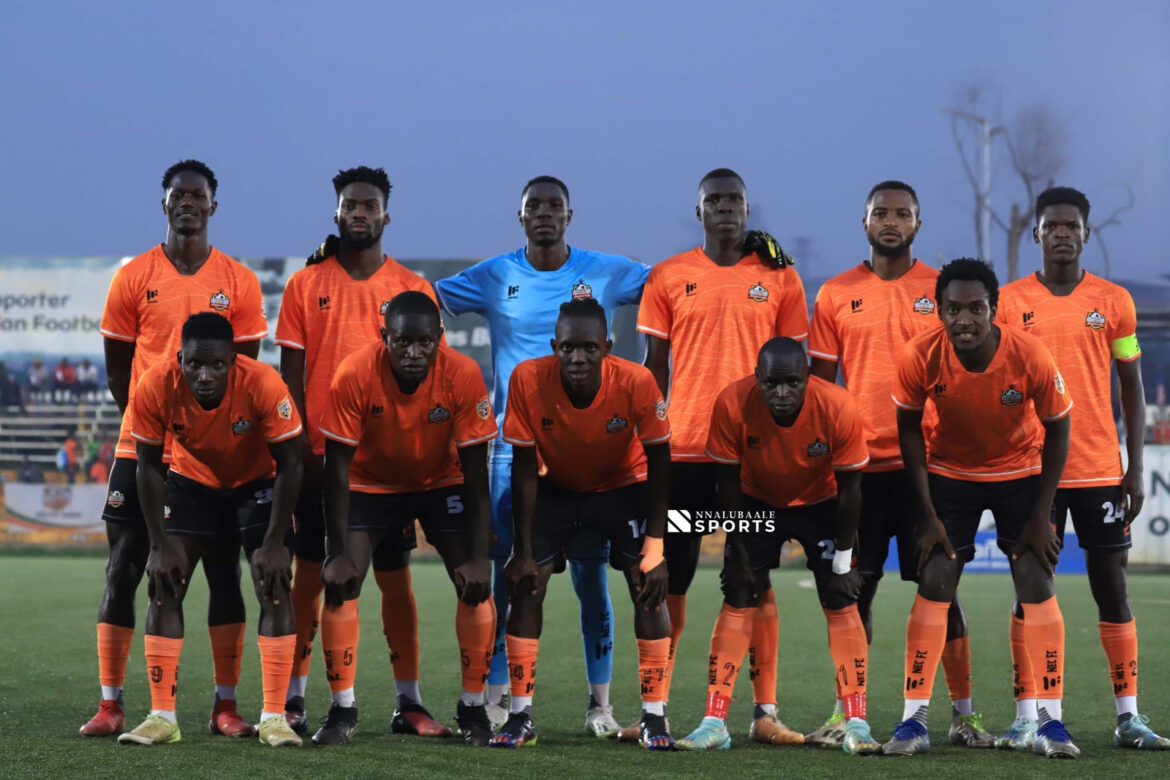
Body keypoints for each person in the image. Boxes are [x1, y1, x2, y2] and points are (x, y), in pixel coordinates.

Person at [435, 175, 649, 734]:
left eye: (555, 206)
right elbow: (422, 301)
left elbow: (674, 287)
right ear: (521, 216)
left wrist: (741, 253)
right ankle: (499, 700)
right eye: (535, 206)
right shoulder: (495, 275)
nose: (545, 214)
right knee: (511, 576)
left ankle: (600, 706)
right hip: (514, 451)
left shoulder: (605, 271)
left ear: (570, 215)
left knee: (590, 580)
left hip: (590, 451)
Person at [84, 159, 268, 739]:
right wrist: (151, 428)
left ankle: (224, 706)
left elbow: (243, 371)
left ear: (213, 205)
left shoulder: (239, 280)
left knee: (223, 572)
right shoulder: (133, 277)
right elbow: (119, 373)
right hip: (142, 446)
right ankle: (111, 704)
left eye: (197, 195)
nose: (187, 202)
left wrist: (204, 431)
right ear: (164, 204)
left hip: (214, 453)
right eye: (177, 195)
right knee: (125, 567)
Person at [807, 181, 989, 748]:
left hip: (926, 470)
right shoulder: (835, 293)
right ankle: (848, 713)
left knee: (942, 590)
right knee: (853, 593)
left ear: (918, 223)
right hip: (857, 471)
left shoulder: (942, 293)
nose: (891, 221)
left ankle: (963, 716)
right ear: (863, 222)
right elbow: (820, 389)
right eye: (880, 213)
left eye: (902, 213)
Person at [633, 168, 808, 743]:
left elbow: (794, 373)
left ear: (748, 209)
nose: (726, 207)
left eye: (735, 199)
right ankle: (654, 711)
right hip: (684, 455)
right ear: (700, 210)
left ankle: (764, 714)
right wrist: (646, 442)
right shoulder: (669, 275)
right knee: (672, 577)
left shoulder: (780, 276)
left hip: (753, 458)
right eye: (715, 200)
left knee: (753, 575)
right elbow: (653, 370)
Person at [276, 166, 446, 735]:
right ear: (337, 212)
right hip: (321, 461)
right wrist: (302, 454)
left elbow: (428, 377)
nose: (359, 212)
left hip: (387, 467)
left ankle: (409, 702)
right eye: (350, 204)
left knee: (395, 580)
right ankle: (294, 698)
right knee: (310, 577)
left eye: (369, 205)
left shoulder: (412, 288)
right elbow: (291, 379)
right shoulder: (305, 284)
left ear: (385, 215)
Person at [884, 258, 1077, 758]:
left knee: (1035, 579)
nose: (964, 319)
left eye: (975, 308)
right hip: (950, 475)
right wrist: (927, 515)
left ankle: (1051, 723)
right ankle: (914, 721)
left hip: (1020, 473)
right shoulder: (920, 355)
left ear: (994, 308)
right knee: (934, 580)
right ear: (939, 310)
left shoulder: (1029, 354)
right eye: (953, 309)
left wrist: (1041, 515)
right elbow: (909, 430)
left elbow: (1059, 428)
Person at [998, 186, 1167, 750]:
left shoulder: (1114, 301)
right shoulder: (1009, 302)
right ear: (1037, 233)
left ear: (1086, 234)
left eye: (1071, 225)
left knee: (1112, 589)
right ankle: (1029, 716)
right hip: (1031, 473)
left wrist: (1134, 466)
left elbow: (1131, 385)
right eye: (1052, 225)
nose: (1062, 233)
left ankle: (1128, 717)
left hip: (1098, 469)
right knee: (1030, 591)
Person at [312, 292, 497, 746]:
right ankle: (342, 709)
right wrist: (336, 552)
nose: (414, 352)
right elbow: (335, 472)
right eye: (402, 342)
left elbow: (476, 475)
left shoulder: (462, 373)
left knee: (474, 585)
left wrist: (479, 557)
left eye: (424, 342)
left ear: (440, 337)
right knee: (341, 583)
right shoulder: (355, 372)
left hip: (440, 482)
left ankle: (473, 708)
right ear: (385, 337)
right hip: (369, 484)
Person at [676, 338, 879, 754]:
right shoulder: (732, 403)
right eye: (771, 383)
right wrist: (737, 552)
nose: (782, 393)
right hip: (756, 499)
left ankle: (857, 722)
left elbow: (851, 490)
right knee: (739, 592)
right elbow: (726, 483)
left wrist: (843, 562)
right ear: (757, 378)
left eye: (792, 383)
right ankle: (714, 722)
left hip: (821, 502)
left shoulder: (838, 406)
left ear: (808, 377)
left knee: (841, 599)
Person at [492, 298, 672, 749]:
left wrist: (656, 547)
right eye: (568, 347)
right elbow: (523, 466)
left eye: (589, 348)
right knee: (526, 584)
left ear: (607, 347)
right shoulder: (527, 378)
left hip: (621, 488)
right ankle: (520, 715)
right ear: (554, 345)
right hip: (555, 489)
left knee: (646, 583)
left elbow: (661, 463)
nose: (577, 357)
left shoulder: (636, 381)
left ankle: (654, 717)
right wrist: (522, 551)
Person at [117, 313, 303, 747]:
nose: (205, 376)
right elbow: (147, 467)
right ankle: (163, 716)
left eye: (217, 365)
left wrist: (276, 541)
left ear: (233, 361)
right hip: (192, 481)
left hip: (257, 483)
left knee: (274, 582)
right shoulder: (154, 384)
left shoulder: (263, 383)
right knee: (165, 581)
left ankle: (274, 718)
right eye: (195, 364)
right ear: (179, 359)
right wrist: (158, 545)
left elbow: (292, 463)